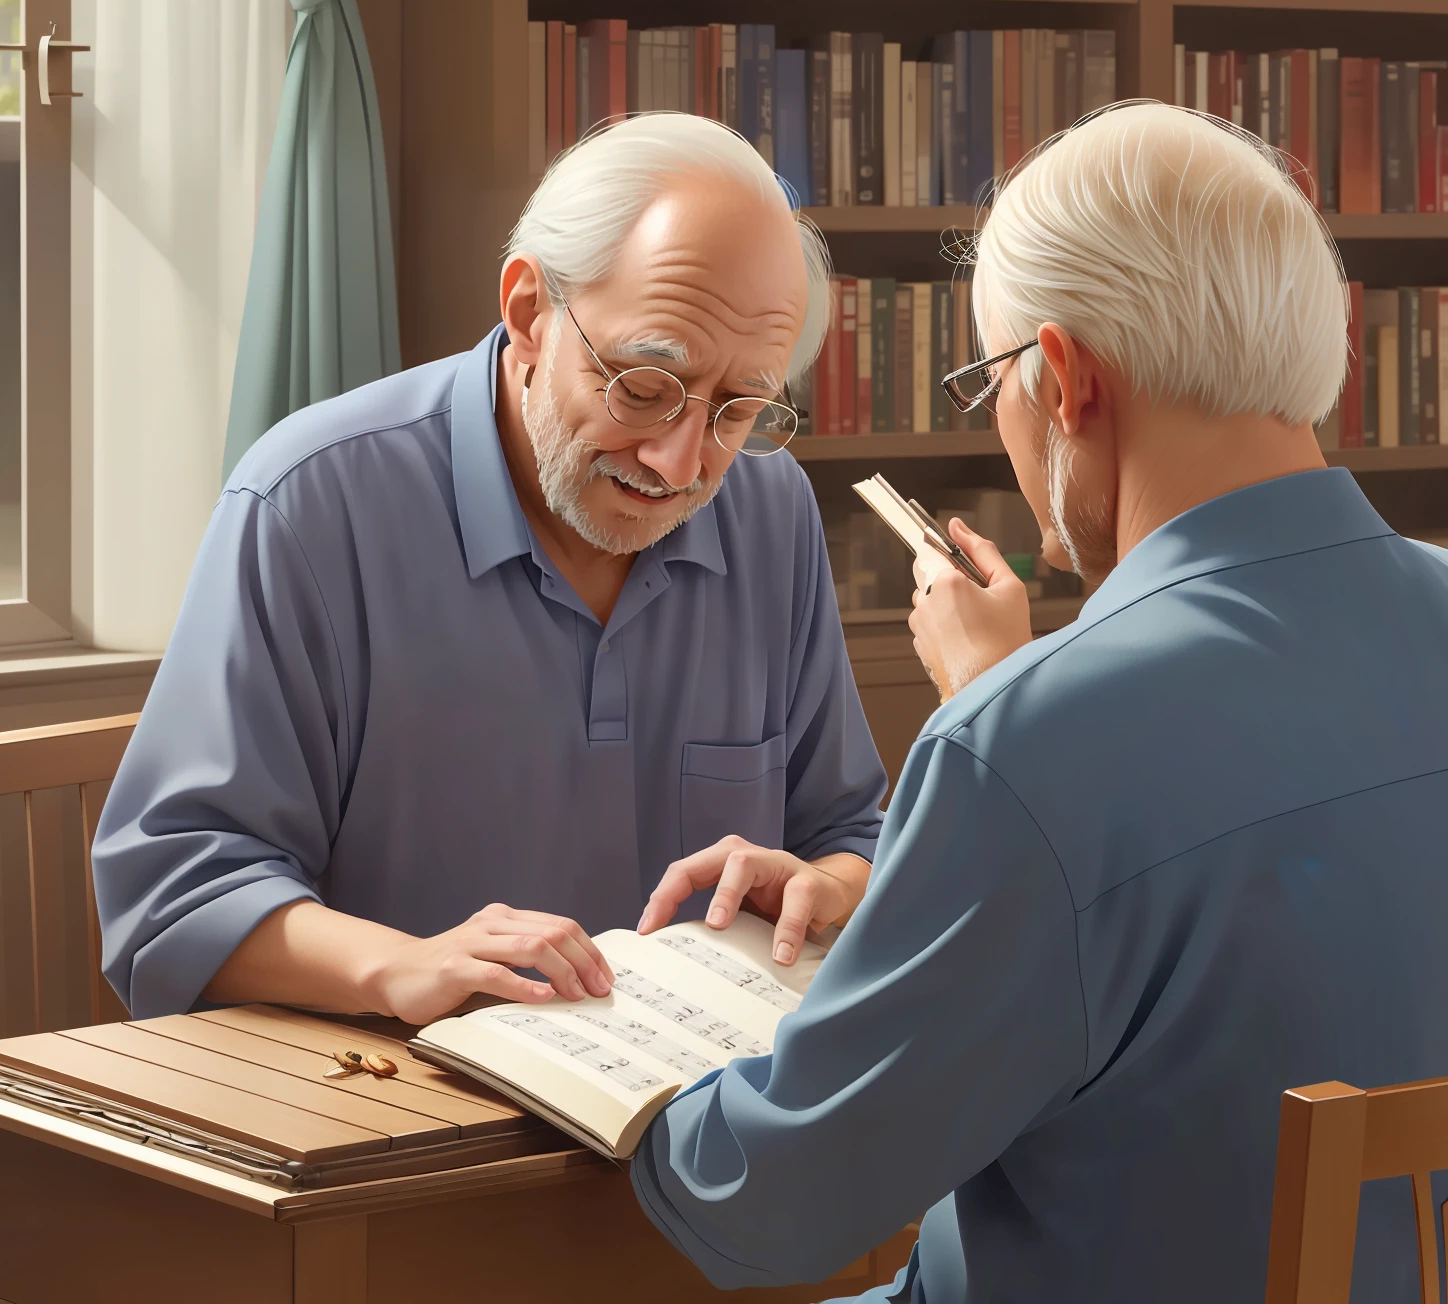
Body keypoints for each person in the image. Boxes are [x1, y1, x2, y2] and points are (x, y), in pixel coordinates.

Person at [423, 103, 1448, 1304]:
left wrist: (620, 1072)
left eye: (994, 382)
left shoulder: (1043, 727)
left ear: (1066, 377)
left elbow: (781, 1199)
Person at [93, 114, 887, 1025]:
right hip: (391, 1114)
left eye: (739, 407)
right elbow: (174, 893)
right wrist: (402, 966)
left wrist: (822, 885)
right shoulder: (313, 503)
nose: (679, 462)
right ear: (528, 312)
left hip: (695, 1116)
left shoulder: (766, 508)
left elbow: (850, 834)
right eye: (643, 386)